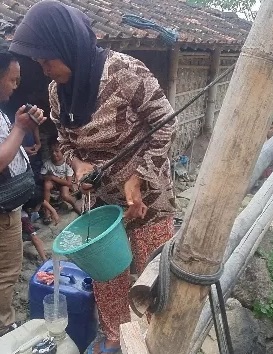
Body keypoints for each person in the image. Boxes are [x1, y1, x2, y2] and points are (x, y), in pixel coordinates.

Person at [10, 2, 177, 352]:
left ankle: (155, 343)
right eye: (39, 62)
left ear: (68, 45)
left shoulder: (125, 72)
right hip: (100, 205)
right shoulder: (58, 93)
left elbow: (166, 127)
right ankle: (116, 340)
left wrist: (139, 177)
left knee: (154, 281)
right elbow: (67, 144)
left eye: (47, 59)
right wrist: (79, 167)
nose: (43, 69)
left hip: (146, 202)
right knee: (108, 279)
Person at [0, 48, 46, 336]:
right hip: (3, 209)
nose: (15, 86)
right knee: (7, 271)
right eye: (12, 80)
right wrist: (20, 127)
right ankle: (5, 324)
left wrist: (18, 124)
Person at [41, 139, 81, 224]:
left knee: (65, 196)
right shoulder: (47, 163)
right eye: (51, 151)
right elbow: (41, 176)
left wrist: (52, 177)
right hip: (54, 183)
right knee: (47, 185)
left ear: (63, 152)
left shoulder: (67, 164)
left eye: (57, 151)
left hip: (64, 183)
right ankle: (47, 211)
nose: (54, 154)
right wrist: (47, 178)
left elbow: (69, 183)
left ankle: (74, 204)